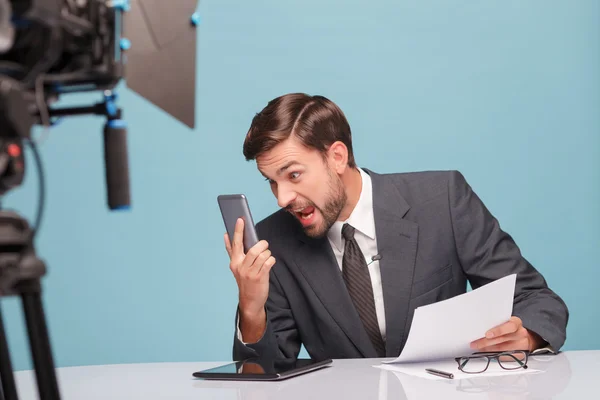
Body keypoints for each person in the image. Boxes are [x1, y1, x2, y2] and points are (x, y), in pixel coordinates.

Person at [224, 93, 569, 361]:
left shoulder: (443, 200)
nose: (282, 197)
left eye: (293, 175)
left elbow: (537, 300)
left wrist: (525, 336)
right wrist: (251, 308)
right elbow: (263, 374)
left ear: (337, 157)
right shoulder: (274, 243)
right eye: (271, 182)